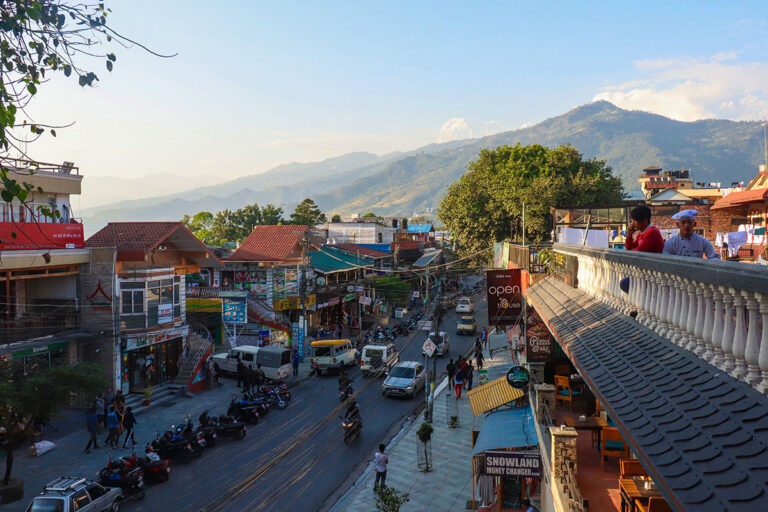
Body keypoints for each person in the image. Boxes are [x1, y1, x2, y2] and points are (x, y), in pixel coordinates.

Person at [621, 205, 665, 294]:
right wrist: (629, 236)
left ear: (644, 220)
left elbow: (638, 251)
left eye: (634, 220)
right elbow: (630, 248)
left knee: (625, 283)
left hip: (654, 272)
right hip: (645, 271)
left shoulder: (652, 232)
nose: (632, 223)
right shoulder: (641, 233)